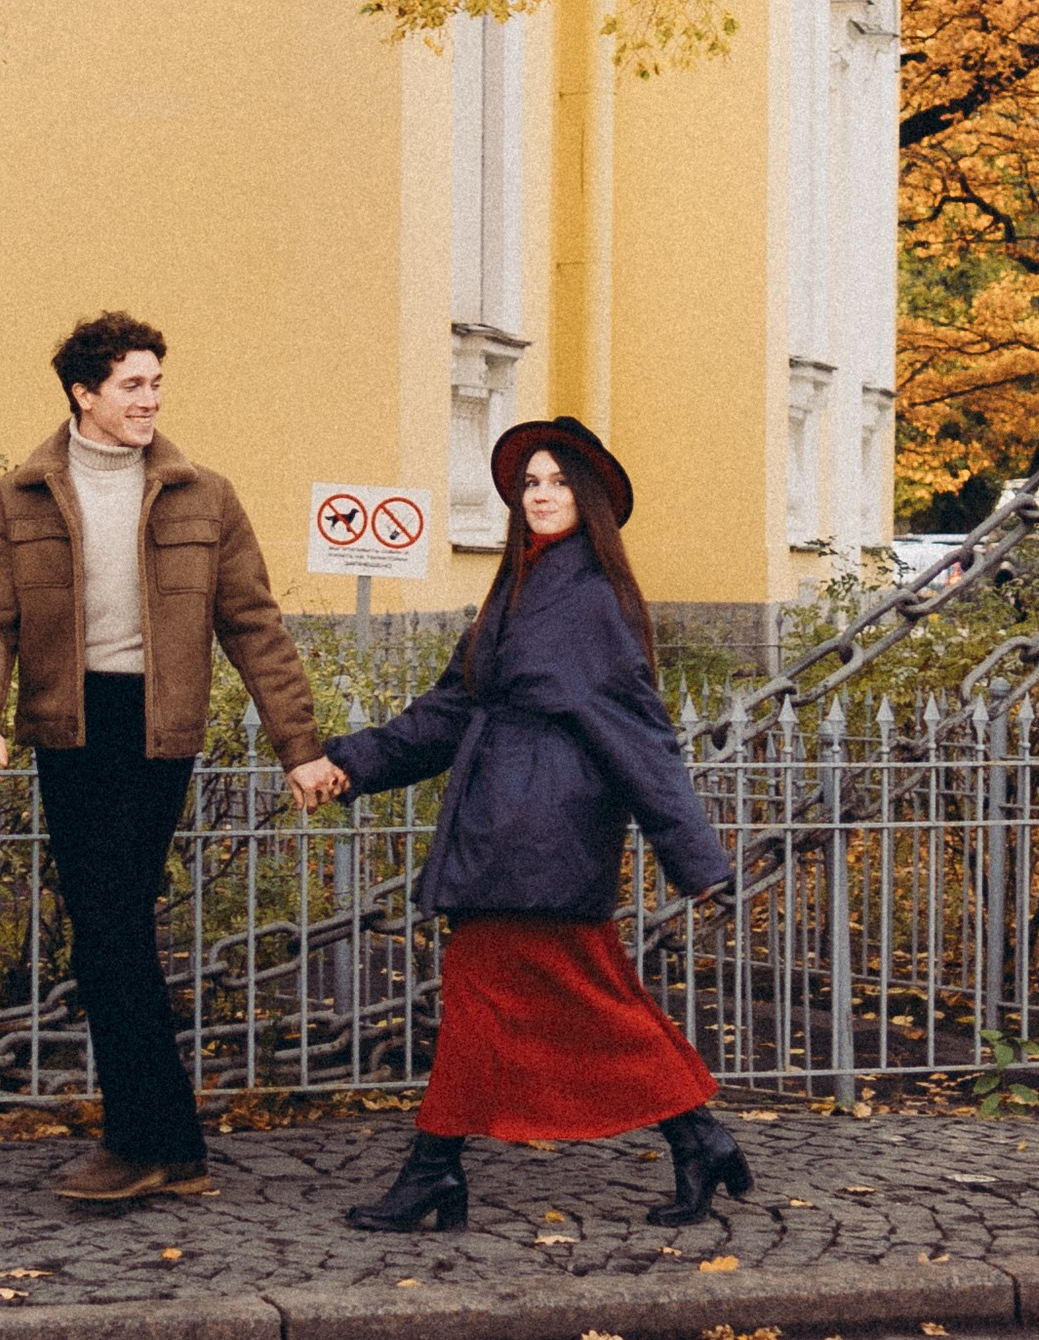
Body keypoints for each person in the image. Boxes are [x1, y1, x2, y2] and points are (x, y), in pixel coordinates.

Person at [287, 416, 749, 1235]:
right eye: (531, 482)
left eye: (559, 482)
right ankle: (686, 1139)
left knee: (559, 1002)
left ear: (591, 499)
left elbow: (639, 733)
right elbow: (449, 710)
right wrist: (349, 762)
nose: (540, 495)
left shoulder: (589, 600)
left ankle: (439, 1173)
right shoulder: (521, 586)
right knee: (521, 1005)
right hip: (505, 824)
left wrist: (696, 855)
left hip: (544, 831)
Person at [0, 311, 323, 1207]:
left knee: (112, 928)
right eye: (132, 385)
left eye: (156, 383)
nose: (150, 399)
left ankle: (144, 1141)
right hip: (68, 726)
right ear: (85, 394)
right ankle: (165, 1142)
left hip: (156, 729)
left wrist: (299, 747)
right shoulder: (23, 495)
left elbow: (254, 627)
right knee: (106, 934)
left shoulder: (205, 495)